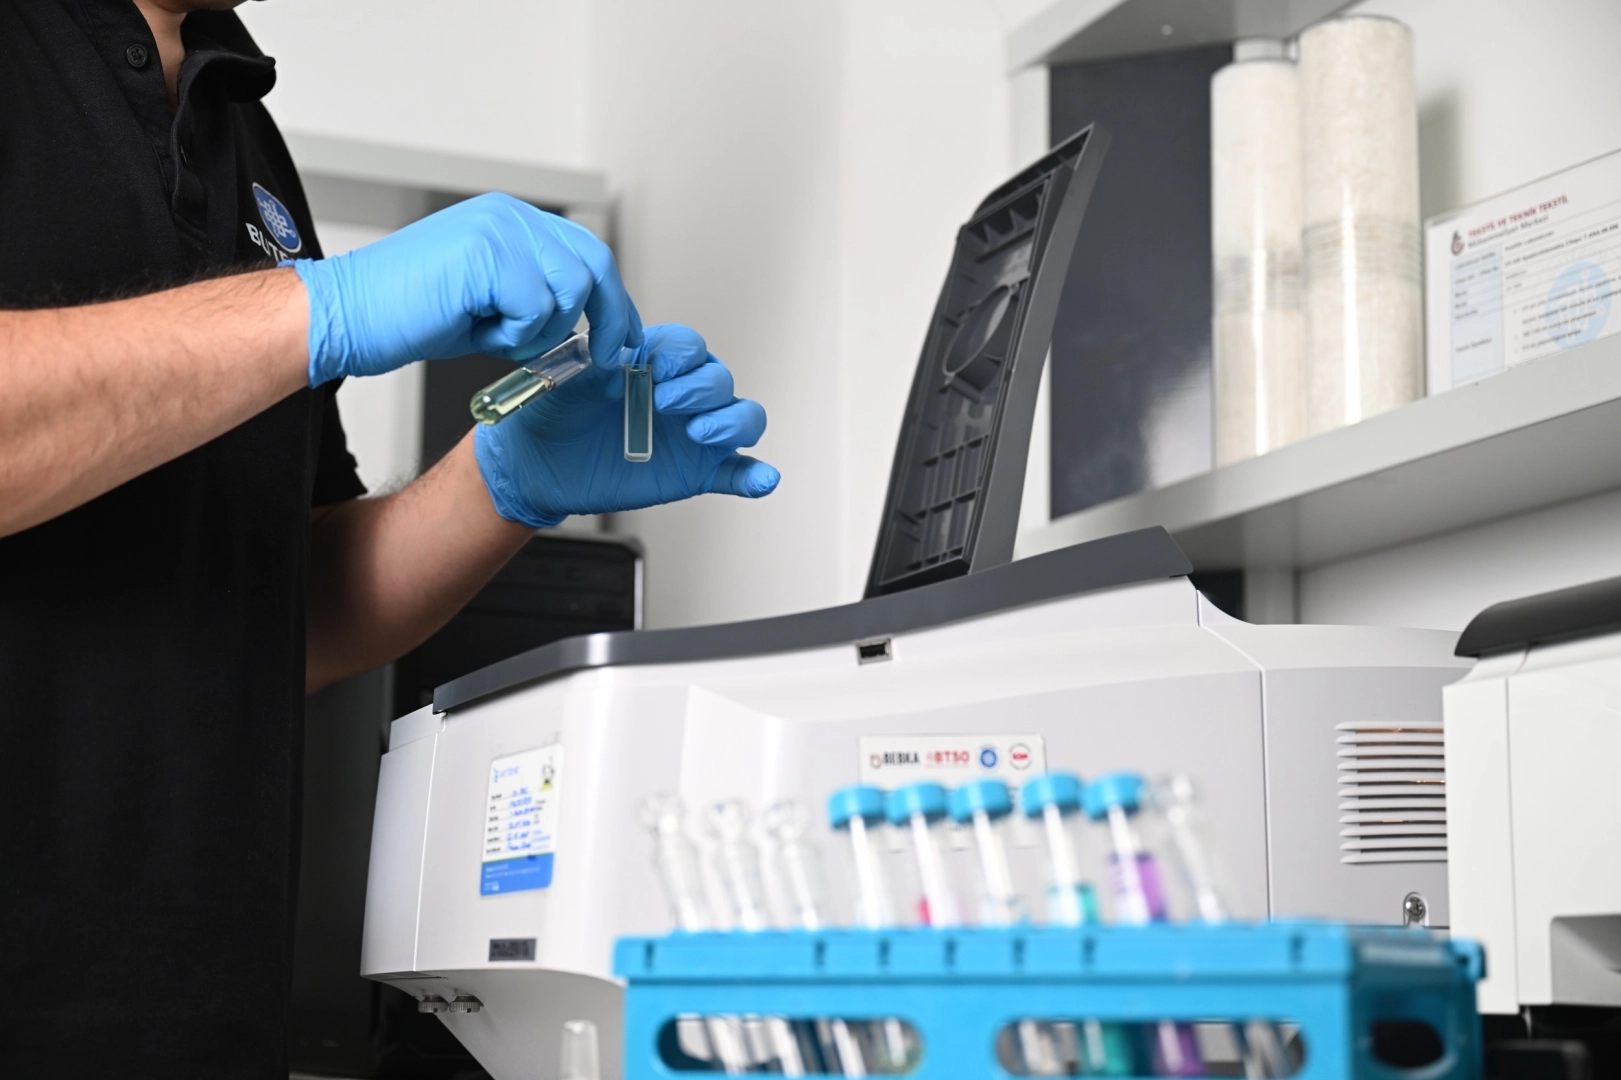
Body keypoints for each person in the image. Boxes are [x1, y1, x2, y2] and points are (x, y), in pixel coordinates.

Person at [0, 0, 779, 1075]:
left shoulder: (241, 125)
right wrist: (323, 309)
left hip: (200, 1021)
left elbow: (290, 612)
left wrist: (504, 479)